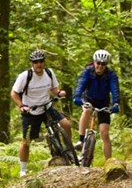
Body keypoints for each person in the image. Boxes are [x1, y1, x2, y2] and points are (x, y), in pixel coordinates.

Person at [10, 49, 71, 177]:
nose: (39, 64)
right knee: (26, 142)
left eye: (41, 61)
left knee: (66, 124)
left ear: (44, 62)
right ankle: (23, 169)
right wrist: (21, 105)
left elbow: (54, 88)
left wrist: (58, 93)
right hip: (31, 111)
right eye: (36, 62)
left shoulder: (49, 73)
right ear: (32, 63)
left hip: (47, 107)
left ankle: (68, 150)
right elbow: (14, 93)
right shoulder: (25, 76)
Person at [73, 49, 120, 161]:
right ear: (94, 62)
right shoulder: (87, 72)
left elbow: (115, 90)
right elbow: (80, 85)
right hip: (88, 98)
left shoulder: (111, 75)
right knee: (87, 110)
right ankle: (81, 139)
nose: (100, 66)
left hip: (103, 102)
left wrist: (116, 103)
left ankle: (109, 162)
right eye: (98, 63)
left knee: (104, 133)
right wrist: (77, 97)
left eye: (103, 64)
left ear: (106, 65)